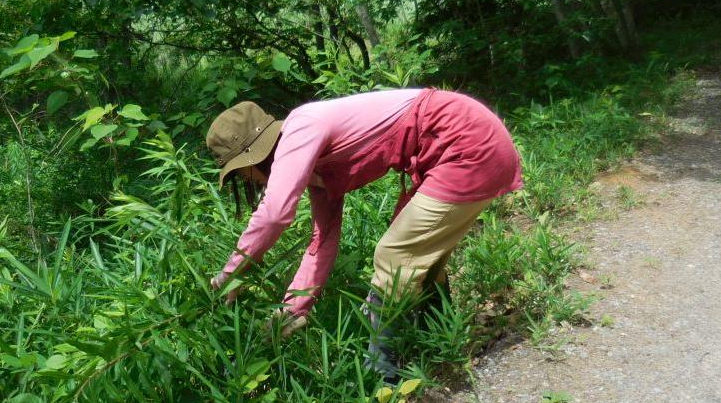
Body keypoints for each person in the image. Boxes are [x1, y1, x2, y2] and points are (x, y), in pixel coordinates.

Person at [206, 88, 523, 379]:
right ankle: (440, 341)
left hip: (467, 142)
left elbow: (274, 214)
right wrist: (293, 310)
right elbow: (322, 244)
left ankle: (382, 373)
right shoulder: (315, 164)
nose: (247, 179)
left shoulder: (302, 127)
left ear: (251, 156)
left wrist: (230, 275)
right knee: (420, 256)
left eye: (238, 172)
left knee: (395, 255)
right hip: (463, 145)